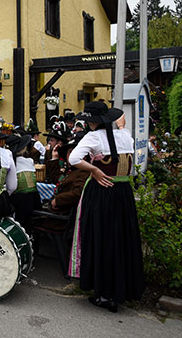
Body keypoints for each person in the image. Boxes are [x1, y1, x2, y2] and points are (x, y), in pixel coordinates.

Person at [68, 102, 144, 313]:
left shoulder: (93, 137)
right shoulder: (126, 135)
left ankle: (103, 293)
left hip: (102, 193)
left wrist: (94, 169)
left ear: (91, 121)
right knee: (121, 239)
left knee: (101, 239)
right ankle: (121, 290)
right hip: (123, 194)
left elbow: (73, 158)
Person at [38, 132, 89, 232]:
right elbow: (58, 179)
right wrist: (54, 158)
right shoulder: (72, 170)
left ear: (84, 157)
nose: (71, 155)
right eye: (69, 152)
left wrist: (58, 200)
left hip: (62, 218)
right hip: (58, 212)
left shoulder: (83, 171)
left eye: (74, 152)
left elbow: (78, 192)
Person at [5, 134, 40, 233]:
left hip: (18, 203)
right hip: (33, 201)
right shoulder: (29, 161)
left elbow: (11, 188)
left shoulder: (9, 162)